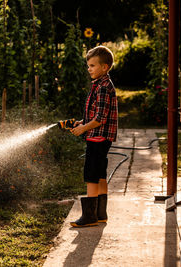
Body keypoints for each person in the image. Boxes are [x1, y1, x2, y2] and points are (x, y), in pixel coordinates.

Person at [70, 45, 118, 227]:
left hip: (98, 137)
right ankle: (100, 213)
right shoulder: (101, 84)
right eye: (88, 65)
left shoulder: (104, 87)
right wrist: (83, 122)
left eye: (92, 65)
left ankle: (89, 216)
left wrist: (84, 129)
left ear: (104, 67)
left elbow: (100, 118)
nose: (89, 69)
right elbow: (96, 113)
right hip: (100, 136)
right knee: (99, 173)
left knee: (91, 173)